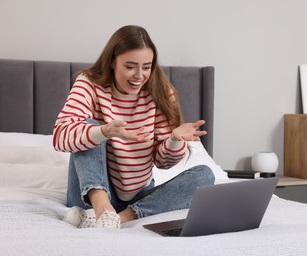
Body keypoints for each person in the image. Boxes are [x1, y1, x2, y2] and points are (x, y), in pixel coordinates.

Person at [53, 25, 215, 229]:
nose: (139, 75)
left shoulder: (161, 93)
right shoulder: (89, 83)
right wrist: (104, 132)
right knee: (88, 127)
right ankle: (102, 209)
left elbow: (162, 162)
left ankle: (119, 219)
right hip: (88, 197)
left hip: (138, 195)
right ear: (112, 62)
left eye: (146, 67)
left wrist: (174, 140)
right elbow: (60, 136)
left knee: (205, 176)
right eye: (130, 66)